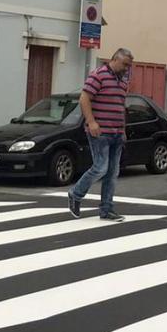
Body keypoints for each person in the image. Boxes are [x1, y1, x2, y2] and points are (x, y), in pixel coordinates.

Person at [68, 48, 133, 222]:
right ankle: (75, 194)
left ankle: (107, 209)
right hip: (100, 131)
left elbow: (120, 106)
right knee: (100, 167)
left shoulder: (124, 80)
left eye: (129, 65)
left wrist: (123, 130)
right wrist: (91, 122)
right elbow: (84, 98)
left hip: (117, 133)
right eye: (125, 64)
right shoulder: (98, 75)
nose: (127, 68)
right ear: (115, 59)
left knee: (113, 172)